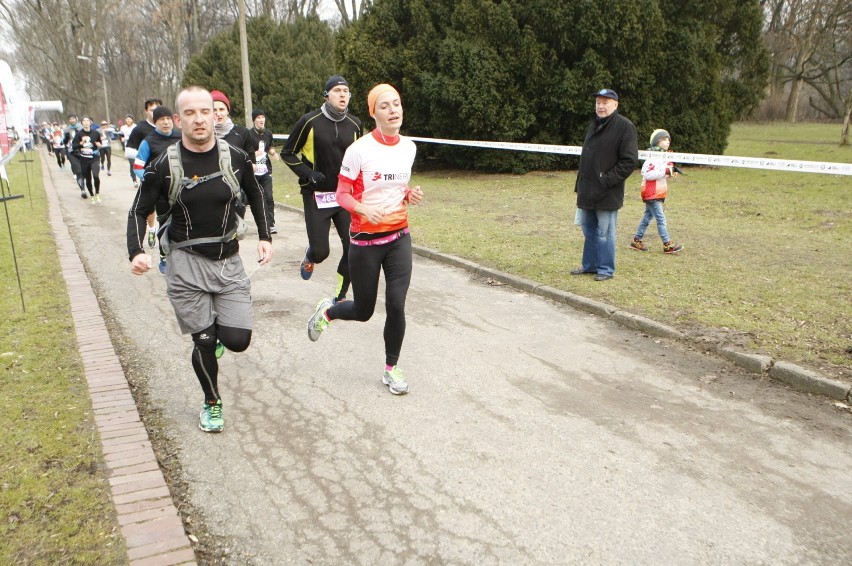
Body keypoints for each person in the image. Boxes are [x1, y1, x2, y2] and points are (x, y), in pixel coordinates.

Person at [126, 86, 273, 433]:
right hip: (185, 264)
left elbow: (255, 194)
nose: (198, 119)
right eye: (189, 113)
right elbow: (138, 210)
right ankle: (211, 401)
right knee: (204, 340)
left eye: (204, 111)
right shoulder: (164, 165)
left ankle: (214, 333)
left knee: (237, 340)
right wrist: (135, 251)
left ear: (215, 114)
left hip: (229, 261)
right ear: (179, 120)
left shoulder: (235, 156)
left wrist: (265, 237)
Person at [306, 83, 423, 396]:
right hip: (365, 241)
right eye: (384, 105)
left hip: (399, 237)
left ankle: (391, 369)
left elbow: (397, 188)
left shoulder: (409, 148)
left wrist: (409, 194)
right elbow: (342, 194)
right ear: (374, 112)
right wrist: (361, 209)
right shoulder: (359, 150)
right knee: (364, 310)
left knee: (397, 304)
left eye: (396, 103)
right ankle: (329, 311)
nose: (393, 110)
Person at [281, 75, 362, 302]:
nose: (343, 95)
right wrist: (309, 174)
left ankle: (340, 294)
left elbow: (360, 159)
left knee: (353, 247)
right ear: (326, 95)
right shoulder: (309, 121)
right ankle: (310, 255)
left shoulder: (355, 124)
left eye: (346, 91)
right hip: (316, 196)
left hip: (344, 197)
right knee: (321, 251)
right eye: (337, 91)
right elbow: (287, 152)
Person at [571, 88, 638, 281]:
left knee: (605, 232)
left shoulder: (625, 127)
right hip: (587, 189)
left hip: (607, 192)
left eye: (605, 102)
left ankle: (605, 269)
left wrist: (606, 180)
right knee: (588, 229)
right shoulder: (594, 125)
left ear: (615, 105)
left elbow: (629, 161)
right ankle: (590, 265)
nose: (600, 106)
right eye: (598, 102)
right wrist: (580, 184)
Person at [132, 105, 182, 264]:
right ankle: (163, 255)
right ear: (155, 122)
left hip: (182, 188)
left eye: (168, 119)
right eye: (162, 120)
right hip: (160, 191)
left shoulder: (181, 137)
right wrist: (150, 179)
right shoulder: (148, 141)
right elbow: (137, 167)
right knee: (165, 223)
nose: (166, 122)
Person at [631, 129, 684, 254]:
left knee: (647, 218)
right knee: (661, 219)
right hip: (651, 193)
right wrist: (665, 171)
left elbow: (660, 174)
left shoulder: (662, 157)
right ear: (656, 142)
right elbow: (647, 174)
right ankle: (667, 245)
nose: (667, 142)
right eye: (664, 139)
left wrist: (670, 172)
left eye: (668, 140)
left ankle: (636, 240)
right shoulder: (652, 157)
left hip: (658, 193)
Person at [247, 108, 279, 233]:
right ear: (254, 120)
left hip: (265, 171)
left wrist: (273, 153)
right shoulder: (248, 134)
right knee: (251, 199)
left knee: (269, 197)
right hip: (253, 172)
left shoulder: (268, 134)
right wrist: (254, 153)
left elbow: (269, 146)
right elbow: (245, 152)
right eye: (258, 118)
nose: (261, 120)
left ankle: (270, 225)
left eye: (263, 117)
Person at [125, 98, 162, 188]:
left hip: (167, 172)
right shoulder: (139, 128)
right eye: (152, 110)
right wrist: (145, 155)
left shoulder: (167, 126)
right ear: (146, 111)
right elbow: (128, 151)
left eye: (158, 110)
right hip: (149, 173)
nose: (155, 112)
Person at [71, 116, 103, 202]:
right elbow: (74, 146)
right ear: (81, 123)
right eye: (84, 121)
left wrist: (99, 145)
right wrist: (81, 143)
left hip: (94, 158)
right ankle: (92, 195)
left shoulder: (96, 133)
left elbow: (100, 143)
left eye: (87, 121)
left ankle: (97, 194)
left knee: (96, 176)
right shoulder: (79, 134)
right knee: (88, 179)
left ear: (90, 122)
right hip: (84, 159)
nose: (86, 122)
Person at [62, 114, 85, 194]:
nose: (72, 120)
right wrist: (65, 138)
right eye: (70, 119)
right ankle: (82, 190)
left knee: (84, 171)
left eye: (73, 119)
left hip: (82, 151)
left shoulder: (82, 128)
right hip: (71, 151)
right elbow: (63, 142)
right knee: (79, 171)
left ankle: (86, 184)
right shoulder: (66, 130)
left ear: (76, 119)